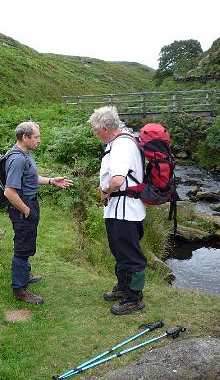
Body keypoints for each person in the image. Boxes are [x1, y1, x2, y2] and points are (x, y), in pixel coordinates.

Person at [4, 121, 73, 304]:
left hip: (29, 204)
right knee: (22, 247)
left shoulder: (25, 154)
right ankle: (19, 289)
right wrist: (26, 210)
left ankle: (24, 276)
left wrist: (51, 181)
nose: (39, 140)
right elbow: (9, 192)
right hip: (22, 207)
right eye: (36, 137)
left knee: (27, 244)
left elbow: (32, 178)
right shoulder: (17, 159)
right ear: (24, 137)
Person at [88, 106, 147, 315]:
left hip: (125, 210)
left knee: (131, 254)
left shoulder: (122, 145)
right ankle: (122, 288)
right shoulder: (121, 141)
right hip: (120, 209)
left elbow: (118, 179)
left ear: (105, 127)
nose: (94, 133)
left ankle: (134, 298)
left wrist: (105, 190)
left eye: (95, 129)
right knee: (120, 251)